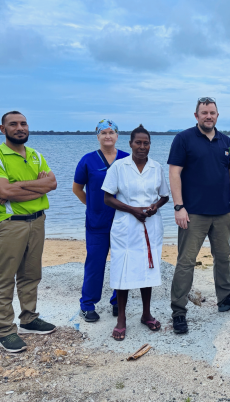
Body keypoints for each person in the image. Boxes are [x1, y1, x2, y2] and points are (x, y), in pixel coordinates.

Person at [168, 97, 230, 334]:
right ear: (196, 116)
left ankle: (224, 299)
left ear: (217, 115)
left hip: (222, 212)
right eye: (204, 113)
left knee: (223, 257)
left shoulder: (227, 141)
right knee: (186, 262)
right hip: (193, 214)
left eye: (212, 112)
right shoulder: (183, 139)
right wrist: (179, 206)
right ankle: (179, 311)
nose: (208, 116)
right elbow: (174, 174)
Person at [0, 111, 58, 353]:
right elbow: (3, 192)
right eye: (13, 124)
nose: (20, 128)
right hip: (10, 224)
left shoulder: (35, 155)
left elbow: (52, 184)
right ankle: (5, 330)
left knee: (31, 274)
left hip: (37, 221)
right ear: (2, 129)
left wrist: (16, 187)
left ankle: (29, 319)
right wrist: (35, 188)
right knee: (4, 278)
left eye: (23, 123)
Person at [102, 125, 169, 341]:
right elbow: (108, 198)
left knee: (147, 269)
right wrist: (133, 210)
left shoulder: (156, 167)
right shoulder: (119, 167)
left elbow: (165, 195)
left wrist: (154, 207)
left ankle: (146, 314)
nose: (142, 146)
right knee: (124, 270)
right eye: (138, 142)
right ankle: (121, 319)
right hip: (126, 226)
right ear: (130, 144)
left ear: (150, 145)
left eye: (146, 143)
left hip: (151, 224)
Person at [73, 120, 129, 322]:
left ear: (117, 136)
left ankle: (117, 302)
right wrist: (92, 206)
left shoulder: (126, 159)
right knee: (95, 264)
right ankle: (87, 305)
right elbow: (77, 189)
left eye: (111, 132)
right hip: (97, 223)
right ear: (97, 136)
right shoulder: (88, 160)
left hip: (122, 221)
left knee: (121, 262)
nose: (108, 136)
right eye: (103, 132)